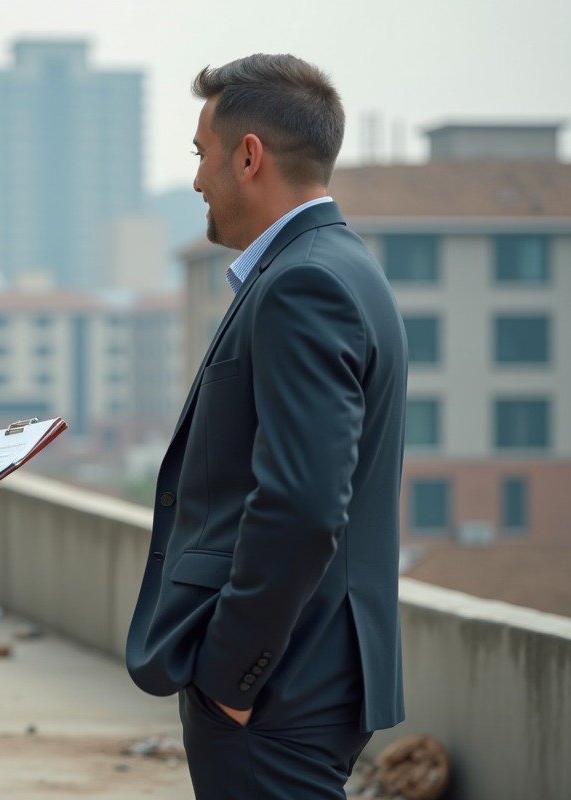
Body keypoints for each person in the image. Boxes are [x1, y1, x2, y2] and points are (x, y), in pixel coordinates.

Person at [126, 54, 408, 799]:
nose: (195, 180)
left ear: (247, 156)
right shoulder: (343, 266)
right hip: (308, 675)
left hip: (278, 687)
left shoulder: (302, 284)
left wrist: (230, 675)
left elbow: (305, 503)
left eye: (200, 154)